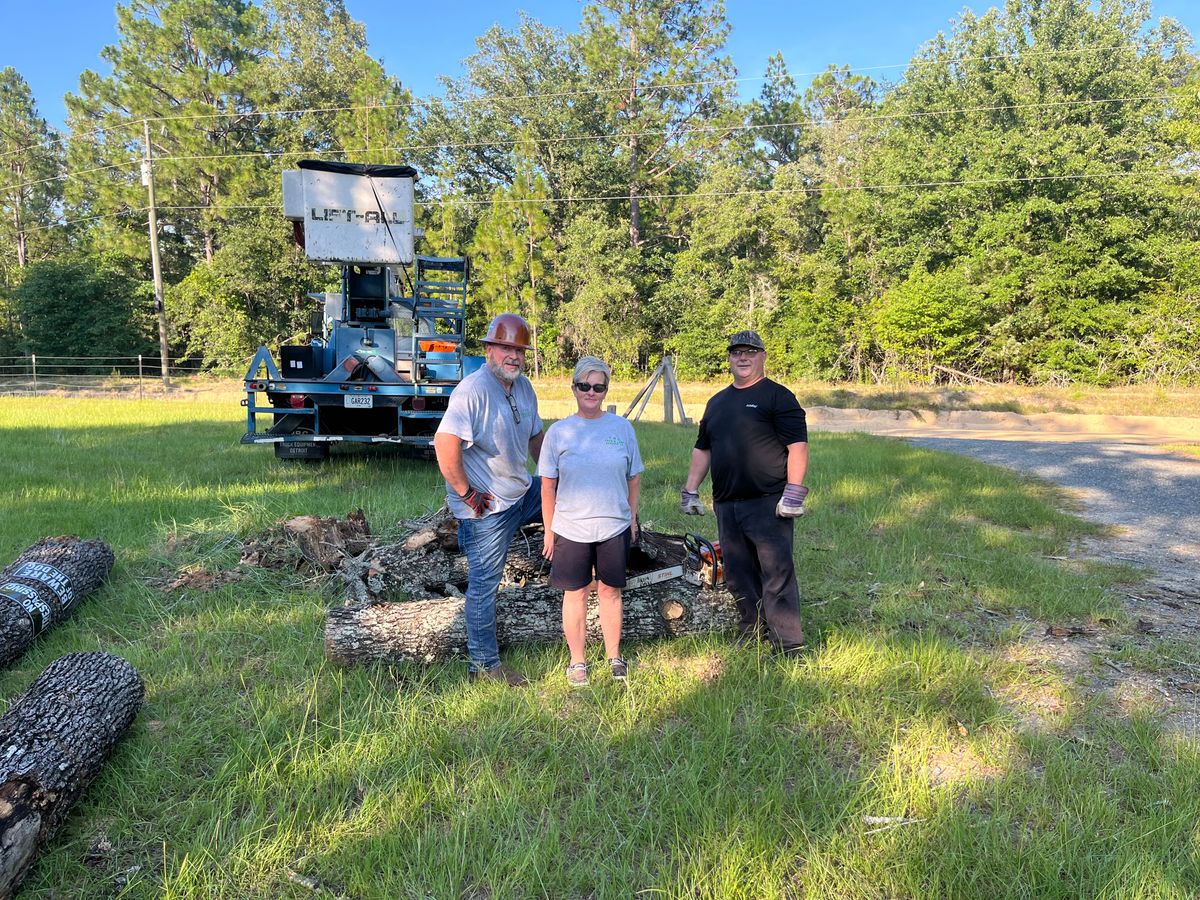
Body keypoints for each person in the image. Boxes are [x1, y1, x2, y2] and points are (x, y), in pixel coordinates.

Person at [680, 329, 809, 654]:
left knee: (776, 572)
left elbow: (798, 446)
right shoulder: (717, 403)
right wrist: (690, 490)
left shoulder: (778, 397)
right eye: (737, 352)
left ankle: (788, 643)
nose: (743, 357)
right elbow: (703, 449)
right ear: (729, 358)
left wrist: (793, 492)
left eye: (750, 352)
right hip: (727, 503)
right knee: (738, 575)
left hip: (769, 502)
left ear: (762, 356)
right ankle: (752, 632)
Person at [434, 312, 544, 686]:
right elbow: (444, 443)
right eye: (505, 348)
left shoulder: (524, 387)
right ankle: (484, 667)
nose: (512, 356)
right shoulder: (473, 390)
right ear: (489, 349)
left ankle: (590, 574)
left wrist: (556, 478)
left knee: (572, 500)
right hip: (489, 507)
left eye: (519, 350)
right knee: (484, 584)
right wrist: (467, 493)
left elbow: (535, 438)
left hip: (521, 492)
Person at [539, 356, 643, 687]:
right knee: (576, 593)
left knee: (611, 591)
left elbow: (634, 477)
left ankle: (614, 657)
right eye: (584, 385)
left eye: (599, 387)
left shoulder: (622, 428)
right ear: (574, 388)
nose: (591, 392)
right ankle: (578, 661)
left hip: (614, 525)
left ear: (606, 390)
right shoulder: (559, 432)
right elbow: (547, 485)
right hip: (571, 527)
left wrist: (632, 517)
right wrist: (549, 529)